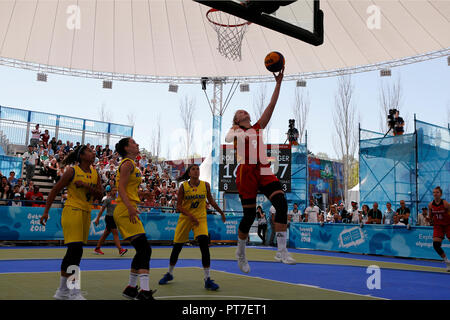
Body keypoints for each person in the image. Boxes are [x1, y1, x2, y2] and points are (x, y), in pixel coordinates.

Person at [224, 68, 294, 273]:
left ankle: (281, 251)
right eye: (240, 112)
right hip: (246, 171)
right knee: (249, 217)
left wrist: (278, 83)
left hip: (263, 169)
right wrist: (238, 131)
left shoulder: (257, 127)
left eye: (245, 110)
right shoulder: (236, 130)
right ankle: (241, 254)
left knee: (281, 205)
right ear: (236, 120)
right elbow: (228, 138)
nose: (244, 111)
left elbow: (271, 106)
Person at [40, 145, 103, 300]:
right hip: (72, 210)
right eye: (89, 151)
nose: (93, 152)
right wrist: (46, 211)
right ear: (81, 156)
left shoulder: (95, 173)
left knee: (74, 252)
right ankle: (73, 291)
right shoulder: (72, 171)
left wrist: (87, 186)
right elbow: (55, 190)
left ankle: (62, 291)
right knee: (76, 250)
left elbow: (100, 195)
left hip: (86, 212)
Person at [158, 164, 226, 290]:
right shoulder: (183, 186)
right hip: (186, 218)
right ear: (189, 173)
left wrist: (221, 212)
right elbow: (178, 206)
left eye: (197, 169)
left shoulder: (205, 185)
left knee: (204, 245)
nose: (196, 171)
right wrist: (190, 215)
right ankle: (169, 273)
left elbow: (210, 201)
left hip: (200, 219)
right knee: (177, 247)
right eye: (193, 169)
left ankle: (207, 279)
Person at [113, 138, 156, 300]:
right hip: (125, 209)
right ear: (126, 148)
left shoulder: (132, 164)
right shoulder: (127, 164)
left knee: (142, 250)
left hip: (128, 207)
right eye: (133, 143)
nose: (137, 145)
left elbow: (128, 189)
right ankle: (143, 292)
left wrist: (141, 195)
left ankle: (131, 288)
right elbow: (121, 188)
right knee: (145, 249)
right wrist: (130, 207)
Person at [93, 186, 128, 257]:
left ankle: (97, 248)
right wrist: (97, 219)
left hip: (115, 218)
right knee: (115, 233)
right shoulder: (107, 200)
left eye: (116, 190)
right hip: (109, 218)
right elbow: (102, 210)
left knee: (105, 234)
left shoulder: (118, 199)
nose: (115, 192)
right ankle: (120, 250)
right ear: (110, 191)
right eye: (113, 190)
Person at [428, 186, 450, 271]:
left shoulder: (445, 204)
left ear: (440, 194)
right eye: (434, 192)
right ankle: (447, 262)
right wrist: (428, 219)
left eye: (437, 192)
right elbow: (430, 217)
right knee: (436, 245)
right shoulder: (430, 205)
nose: (435, 194)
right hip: (438, 226)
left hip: (448, 225)